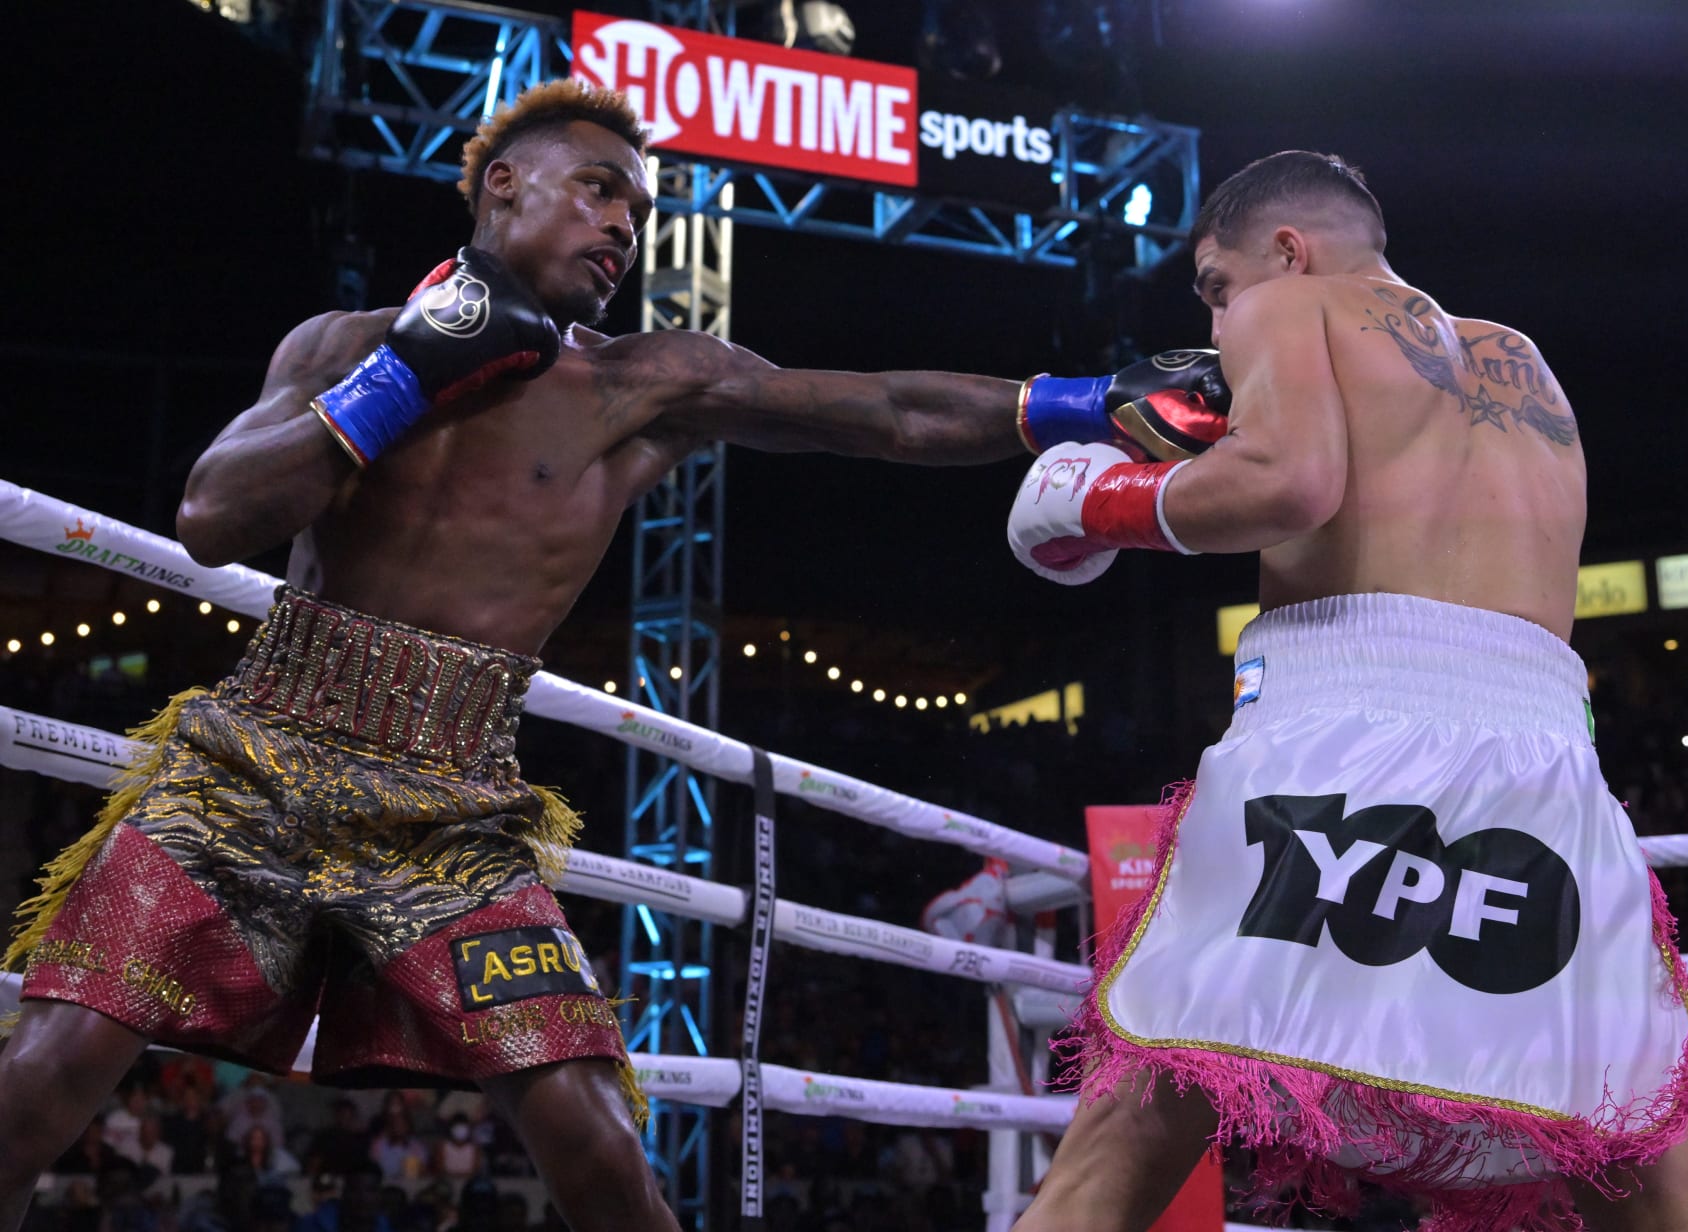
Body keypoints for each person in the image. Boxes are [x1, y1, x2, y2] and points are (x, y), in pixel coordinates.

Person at [0, 78, 1224, 1232]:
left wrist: (1083, 400)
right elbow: (214, 518)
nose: (622, 222)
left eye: (635, 205)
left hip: (452, 806)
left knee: (593, 1132)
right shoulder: (343, 345)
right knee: (48, 1068)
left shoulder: (641, 385)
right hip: (254, 762)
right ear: (500, 190)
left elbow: (884, 409)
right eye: (595, 188)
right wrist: (408, 372)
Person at [1004, 151, 1688, 1230]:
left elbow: (1288, 480)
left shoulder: (1286, 305)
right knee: (1650, 1178)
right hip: (1544, 768)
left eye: (1216, 287)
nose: (1218, 325)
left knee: (1130, 1130)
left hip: (1339, 741)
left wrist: (1101, 499)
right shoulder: (1525, 362)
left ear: (1288, 250)